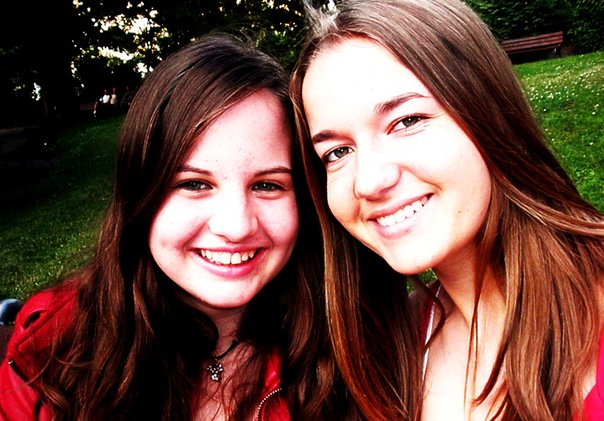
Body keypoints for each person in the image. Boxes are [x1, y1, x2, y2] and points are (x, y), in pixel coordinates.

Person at [290, 0, 604, 419]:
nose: (368, 182)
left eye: (407, 121)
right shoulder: (392, 347)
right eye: (337, 152)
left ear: (488, 112)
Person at [0, 33, 337, 420]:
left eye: (267, 185)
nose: (236, 226)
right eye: (193, 184)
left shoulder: (348, 342)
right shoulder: (52, 350)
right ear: (140, 193)